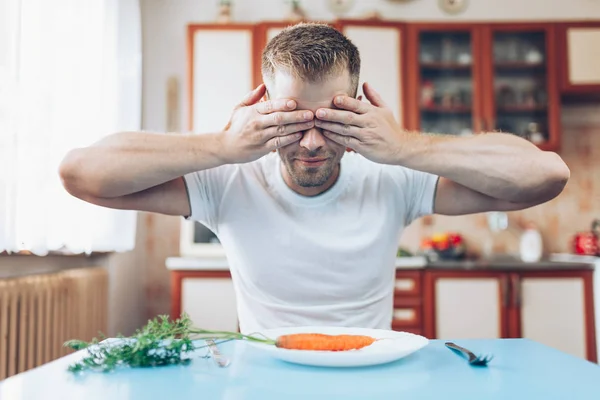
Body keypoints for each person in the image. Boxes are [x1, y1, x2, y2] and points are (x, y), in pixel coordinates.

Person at [59, 23, 570, 334]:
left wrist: (407, 145)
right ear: (263, 107)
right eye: (292, 121)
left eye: (331, 121)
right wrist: (219, 144)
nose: (311, 144)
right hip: (265, 375)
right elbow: (81, 173)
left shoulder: (393, 175)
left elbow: (546, 176)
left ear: (361, 107)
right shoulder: (227, 180)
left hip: (368, 374)